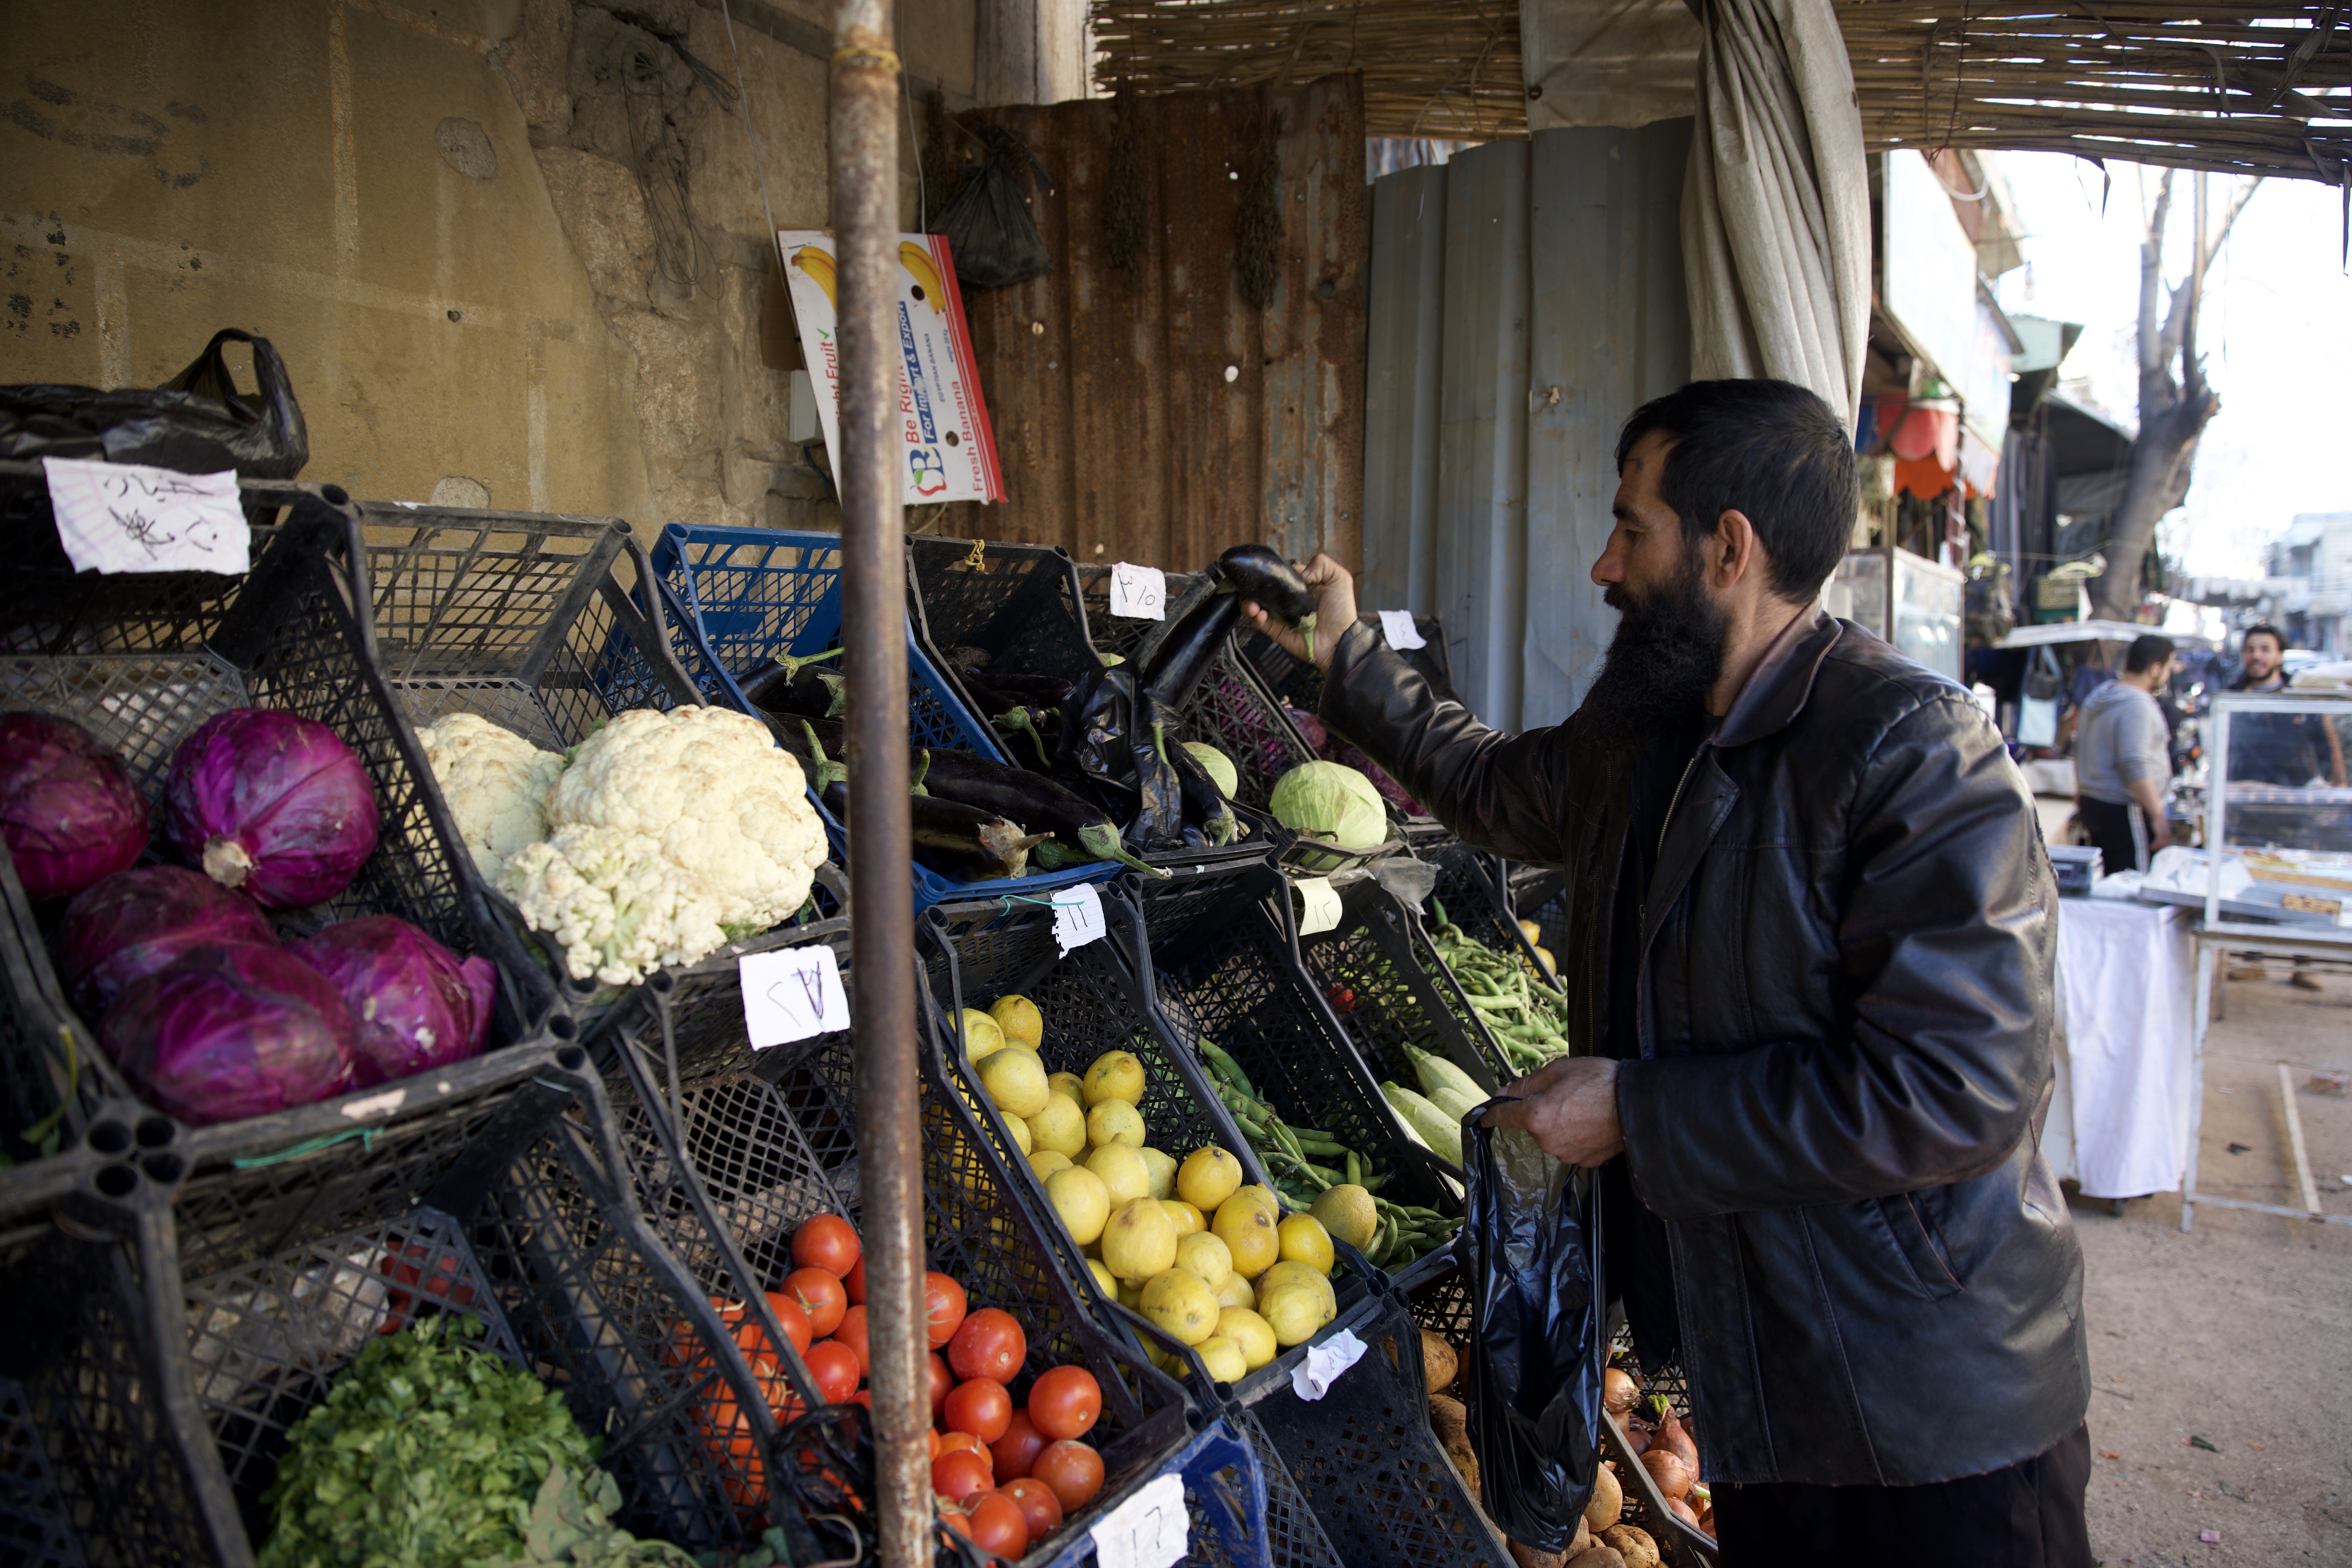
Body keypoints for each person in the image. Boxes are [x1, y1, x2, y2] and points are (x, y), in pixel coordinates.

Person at [1242, 379, 2088, 1568]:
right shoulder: (1650, 731)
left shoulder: (1913, 751)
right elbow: (1490, 785)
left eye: (1632, 528)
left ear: (1727, 547)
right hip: (1765, 1385)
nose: (1604, 564)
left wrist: (1635, 1108)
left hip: (1926, 1401)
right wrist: (1347, 656)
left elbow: (1958, 1089)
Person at [2221, 624, 2339, 992]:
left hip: (2296, 808)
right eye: (2251, 649)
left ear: (2279, 656)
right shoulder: (2233, 698)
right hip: (2247, 808)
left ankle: (2304, 961)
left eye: (2264, 649)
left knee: (2299, 881)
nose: (2257, 656)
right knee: (2253, 881)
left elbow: (2328, 748)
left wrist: (2337, 792)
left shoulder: (2302, 698)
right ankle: (2253, 957)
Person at [2072, 634, 2177, 875]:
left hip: (2095, 801)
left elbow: (2080, 747)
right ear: (2156, 668)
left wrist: (2081, 789)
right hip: (2123, 808)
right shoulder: (2136, 704)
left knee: (2109, 878)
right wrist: (2158, 816)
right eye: (2169, 668)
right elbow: (2132, 761)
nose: (2168, 675)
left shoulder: (2100, 695)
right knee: (2132, 881)